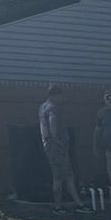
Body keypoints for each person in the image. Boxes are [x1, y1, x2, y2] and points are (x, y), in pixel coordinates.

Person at [38, 83, 85, 211]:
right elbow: (53, 124)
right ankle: (78, 204)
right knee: (67, 175)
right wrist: (58, 140)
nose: (62, 99)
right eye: (60, 96)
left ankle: (59, 205)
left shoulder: (42, 107)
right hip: (57, 146)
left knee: (57, 176)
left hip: (47, 145)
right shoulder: (53, 108)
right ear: (55, 95)